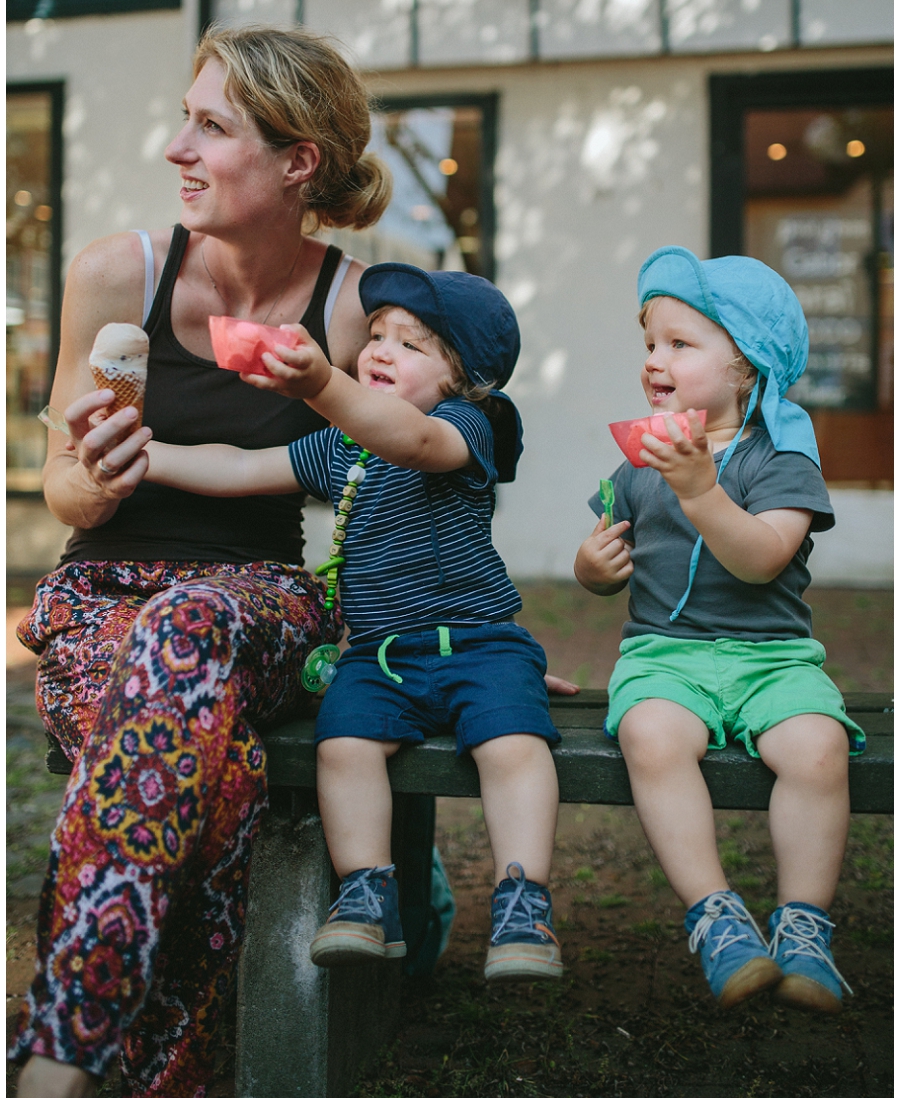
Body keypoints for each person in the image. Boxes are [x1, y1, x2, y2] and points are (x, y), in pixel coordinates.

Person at [11, 25, 394, 1098]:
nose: (177, 146)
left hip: (253, 599)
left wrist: (450, 629)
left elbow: (399, 487)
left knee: (184, 633)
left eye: (211, 126)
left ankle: (60, 1054)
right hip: (101, 593)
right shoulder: (116, 273)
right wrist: (97, 467)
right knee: (212, 778)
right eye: (184, 117)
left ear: (297, 160)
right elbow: (64, 497)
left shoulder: (357, 309)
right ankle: (164, 1077)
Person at [126, 262, 565, 984]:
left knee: (512, 745)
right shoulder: (342, 448)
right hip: (380, 658)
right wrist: (144, 455)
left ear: (464, 379)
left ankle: (522, 900)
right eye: (378, 336)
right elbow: (239, 467)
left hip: (478, 644)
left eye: (412, 345)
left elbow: (411, 444)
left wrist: (323, 386)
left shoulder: (469, 424)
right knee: (344, 746)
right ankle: (367, 893)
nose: (381, 351)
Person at [574, 245, 865, 1015]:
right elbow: (610, 541)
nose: (655, 360)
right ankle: (717, 917)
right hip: (664, 658)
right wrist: (591, 568)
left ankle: (804, 928)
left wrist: (701, 488)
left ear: (745, 367)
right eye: (649, 344)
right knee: (651, 737)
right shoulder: (642, 456)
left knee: (818, 746)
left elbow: (764, 559)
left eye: (680, 343)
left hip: (774, 658)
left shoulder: (782, 457)